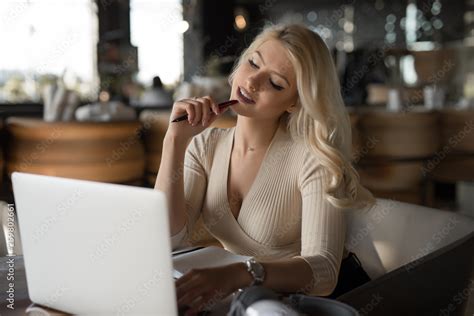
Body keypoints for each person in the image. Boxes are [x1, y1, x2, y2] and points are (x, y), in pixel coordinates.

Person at [155, 23, 375, 315]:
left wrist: (239, 274)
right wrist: (174, 142)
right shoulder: (206, 145)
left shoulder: (312, 158)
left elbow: (323, 272)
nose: (253, 81)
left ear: (295, 103)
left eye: (276, 83)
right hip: (251, 303)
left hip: (322, 305)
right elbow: (168, 238)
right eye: (253, 62)